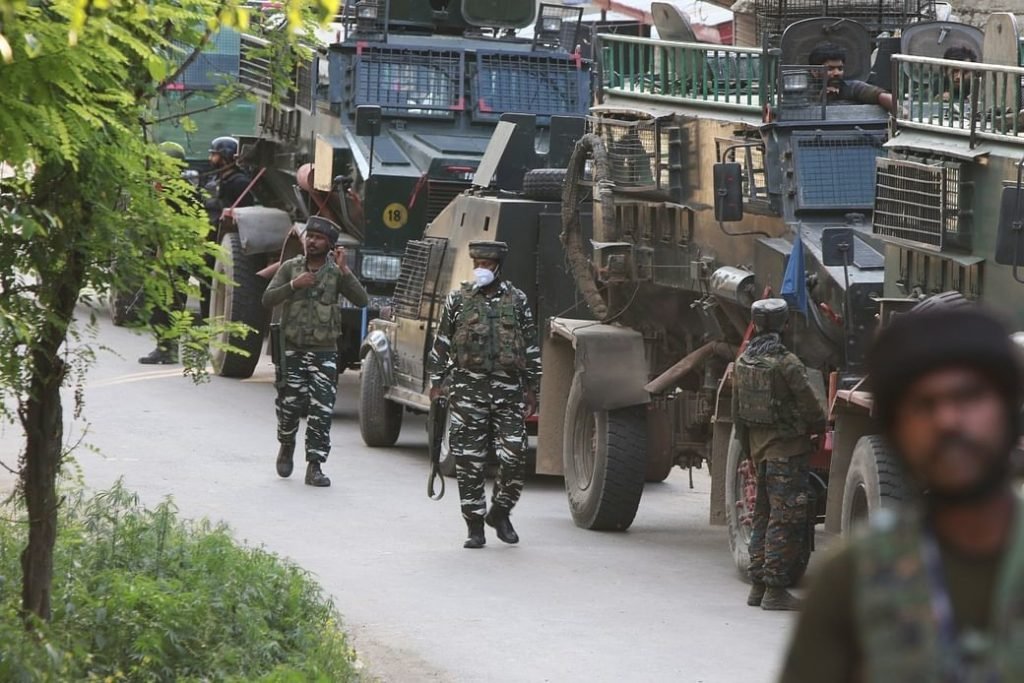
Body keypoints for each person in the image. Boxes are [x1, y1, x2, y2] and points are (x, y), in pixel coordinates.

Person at [780, 305, 1024, 682]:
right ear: (896, 430)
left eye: (968, 397)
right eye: (924, 405)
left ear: (1008, 411)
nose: (948, 421)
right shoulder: (854, 577)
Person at [427, 241, 541, 549]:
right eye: (477, 262)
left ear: (498, 267)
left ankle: (500, 511)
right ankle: (474, 525)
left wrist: (534, 387)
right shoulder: (458, 300)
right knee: (469, 461)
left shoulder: (517, 300)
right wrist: (436, 383)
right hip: (468, 391)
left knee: (515, 455)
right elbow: (441, 342)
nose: (481, 268)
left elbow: (530, 345)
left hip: (508, 391)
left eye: (487, 264)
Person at [732, 298, 826, 611]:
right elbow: (811, 406)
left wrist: (750, 452)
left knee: (763, 515)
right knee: (784, 520)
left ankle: (757, 586)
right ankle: (774, 590)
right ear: (784, 325)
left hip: (759, 450)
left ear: (756, 324)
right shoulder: (786, 363)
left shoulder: (745, 361)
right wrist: (817, 426)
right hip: (787, 451)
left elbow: (738, 416)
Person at [261, 217, 368, 487]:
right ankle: (286, 445)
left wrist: (346, 271)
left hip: (324, 352)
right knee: (289, 406)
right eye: (310, 236)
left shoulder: (336, 272)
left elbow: (362, 300)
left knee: (322, 410)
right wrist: (294, 285)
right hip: (292, 350)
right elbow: (267, 298)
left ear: (330, 245)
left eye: (319, 238)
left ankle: (315, 465)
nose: (312, 241)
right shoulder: (290, 268)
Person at [139, 141, 195, 365]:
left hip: (171, 255)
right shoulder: (175, 186)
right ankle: (166, 347)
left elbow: (167, 223)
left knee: (163, 301)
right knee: (167, 301)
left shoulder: (174, 190)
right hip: (170, 253)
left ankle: (166, 348)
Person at [201, 136, 254, 319]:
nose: (211, 160)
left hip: (224, 241)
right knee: (205, 282)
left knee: (216, 285)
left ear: (225, 156)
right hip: (209, 239)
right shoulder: (217, 180)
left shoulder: (239, 183)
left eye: (214, 155)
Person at [808, 42, 894, 111]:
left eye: (840, 68)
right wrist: (821, 99)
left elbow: (880, 95)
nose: (837, 73)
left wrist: (903, 113)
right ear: (815, 71)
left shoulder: (852, 88)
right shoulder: (803, 91)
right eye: (830, 69)